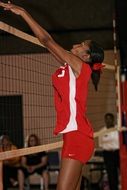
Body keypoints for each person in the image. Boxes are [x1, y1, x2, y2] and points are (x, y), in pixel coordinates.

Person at [0, 2, 104, 189]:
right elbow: (45, 43)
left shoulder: (81, 67)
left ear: (87, 57)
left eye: (82, 45)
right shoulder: (71, 66)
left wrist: (23, 13)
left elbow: (47, 39)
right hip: (74, 136)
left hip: (77, 136)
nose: (77, 44)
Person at [98, 113, 120, 190]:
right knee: (111, 174)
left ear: (113, 119)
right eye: (106, 119)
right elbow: (101, 144)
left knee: (123, 171)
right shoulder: (102, 131)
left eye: (109, 118)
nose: (108, 120)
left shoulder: (118, 129)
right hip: (108, 154)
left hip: (118, 153)